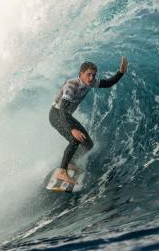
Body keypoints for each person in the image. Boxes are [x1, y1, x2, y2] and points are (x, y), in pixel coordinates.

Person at [49, 56, 128, 184]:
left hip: (66, 116)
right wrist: (72, 129)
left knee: (88, 144)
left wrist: (121, 72)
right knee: (75, 139)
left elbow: (107, 83)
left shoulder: (89, 82)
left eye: (93, 75)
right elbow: (63, 110)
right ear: (81, 74)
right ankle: (62, 171)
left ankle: (70, 162)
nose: (91, 78)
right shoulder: (71, 85)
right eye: (88, 74)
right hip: (57, 115)